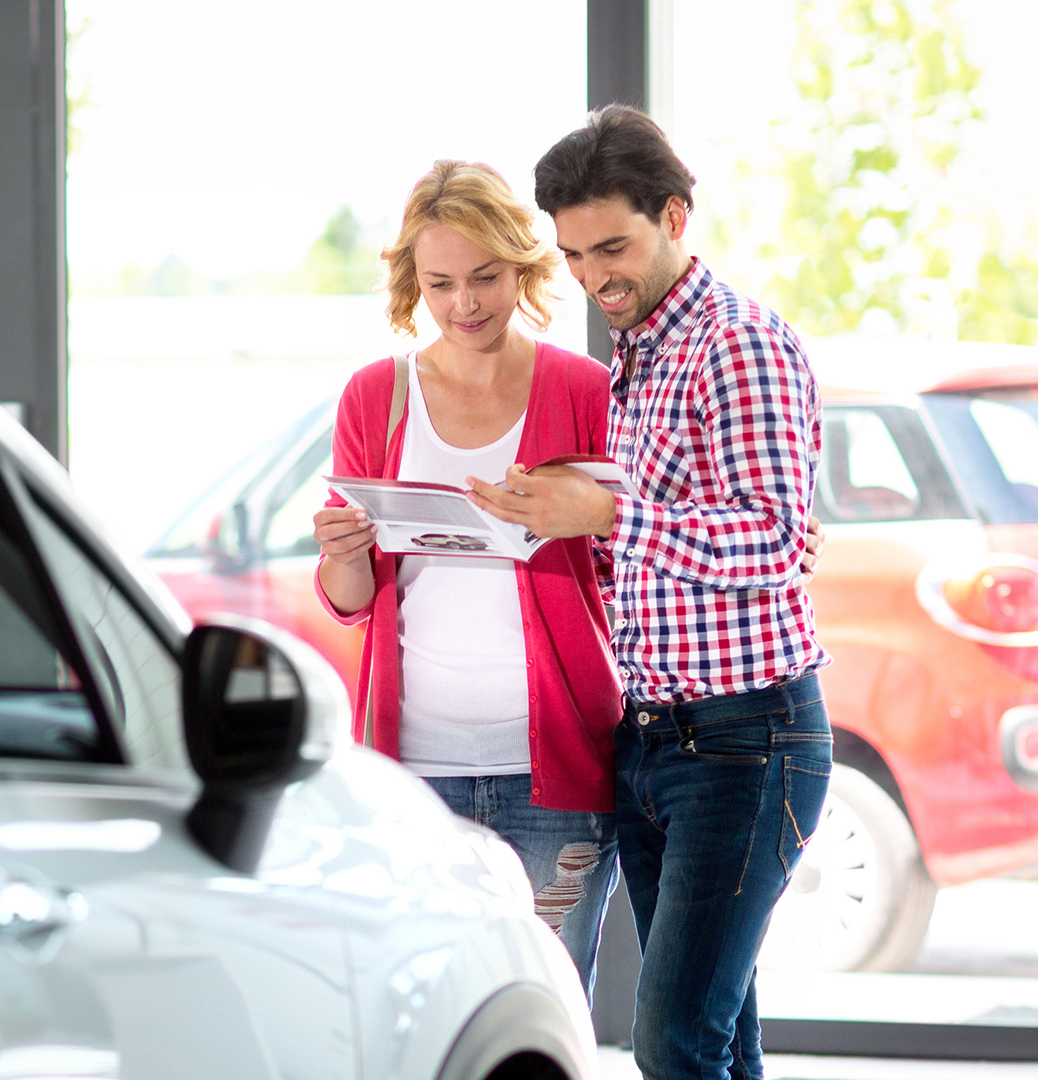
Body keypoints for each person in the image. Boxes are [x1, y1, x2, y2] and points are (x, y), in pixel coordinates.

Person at [467, 106, 830, 1080]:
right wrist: (539, 514)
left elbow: (778, 543)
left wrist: (605, 517)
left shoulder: (736, 346)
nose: (594, 278)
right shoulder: (640, 358)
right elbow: (660, 548)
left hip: (747, 745)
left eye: (614, 247)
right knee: (715, 1040)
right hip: (656, 741)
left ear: (677, 216)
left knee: (673, 1042)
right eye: (575, 255)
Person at [311, 160, 623, 998]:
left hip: (555, 765)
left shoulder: (586, 390)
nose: (466, 304)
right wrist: (344, 551)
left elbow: (630, 564)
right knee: (420, 1008)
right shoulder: (375, 397)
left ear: (522, 266)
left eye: (485, 278)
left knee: (548, 1002)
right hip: (411, 768)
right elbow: (351, 600)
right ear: (414, 282)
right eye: (441, 283)